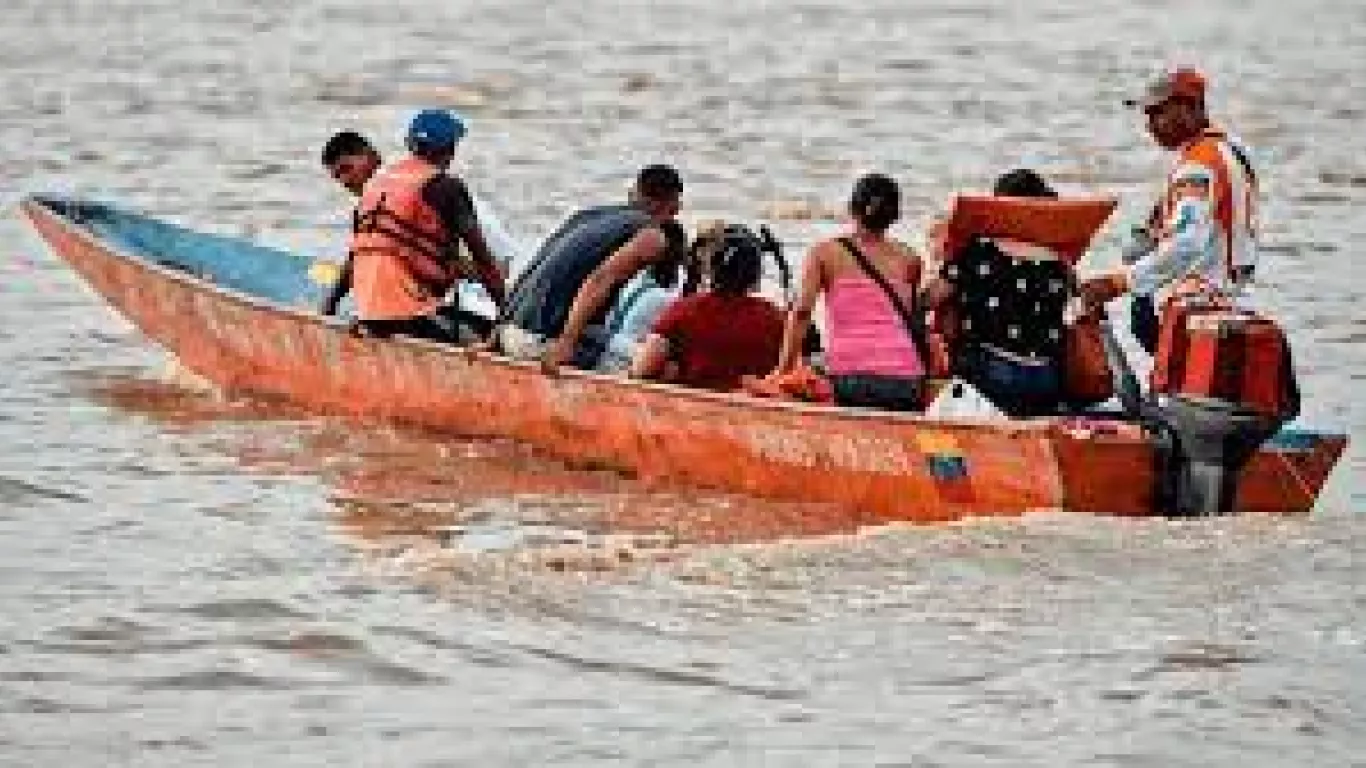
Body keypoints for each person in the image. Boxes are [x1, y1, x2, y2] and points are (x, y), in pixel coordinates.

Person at [1082, 68, 1260, 350]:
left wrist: (1116, 284)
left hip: (1202, 312)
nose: (1150, 125)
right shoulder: (1234, 150)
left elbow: (1186, 244)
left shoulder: (1197, 165)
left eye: (1159, 113)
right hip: (1239, 302)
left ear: (1191, 108)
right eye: (1148, 115)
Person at [338, 110, 505, 342]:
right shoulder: (447, 187)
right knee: (489, 335)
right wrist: (507, 317)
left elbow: (355, 257)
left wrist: (329, 307)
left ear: (410, 144)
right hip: (409, 315)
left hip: (368, 310)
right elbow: (485, 263)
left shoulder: (376, 185)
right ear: (450, 149)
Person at [497, 165, 685, 370]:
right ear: (673, 204)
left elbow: (536, 266)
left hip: (510, 331)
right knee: (663, 366)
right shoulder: (652, 236)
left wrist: (498, 330)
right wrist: (566, 343)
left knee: (610, 340)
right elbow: (601, 280)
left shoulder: (589, 216)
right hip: (542, 340)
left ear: (634, 192)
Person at [921, 169, 1073, 417]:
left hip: (994, 374)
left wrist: (935, 260)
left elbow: (929, 299)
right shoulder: (1058, 261)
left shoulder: (980, 251)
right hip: (1047, 378)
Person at [772, 174, 926, 411]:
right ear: (895, 216)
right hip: (908, 381)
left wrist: (783, 371)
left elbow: (802, 312)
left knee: (806, 372)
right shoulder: (910, 258)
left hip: (849, 378)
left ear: (851, 208)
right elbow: (914, 318)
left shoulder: (824, 253)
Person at [631, 224, 785, 391]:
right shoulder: (774, 317)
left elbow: (643, 369)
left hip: (690, 406)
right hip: (755, 407)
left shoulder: (685, 310)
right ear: (756, 274)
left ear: (711, 269)